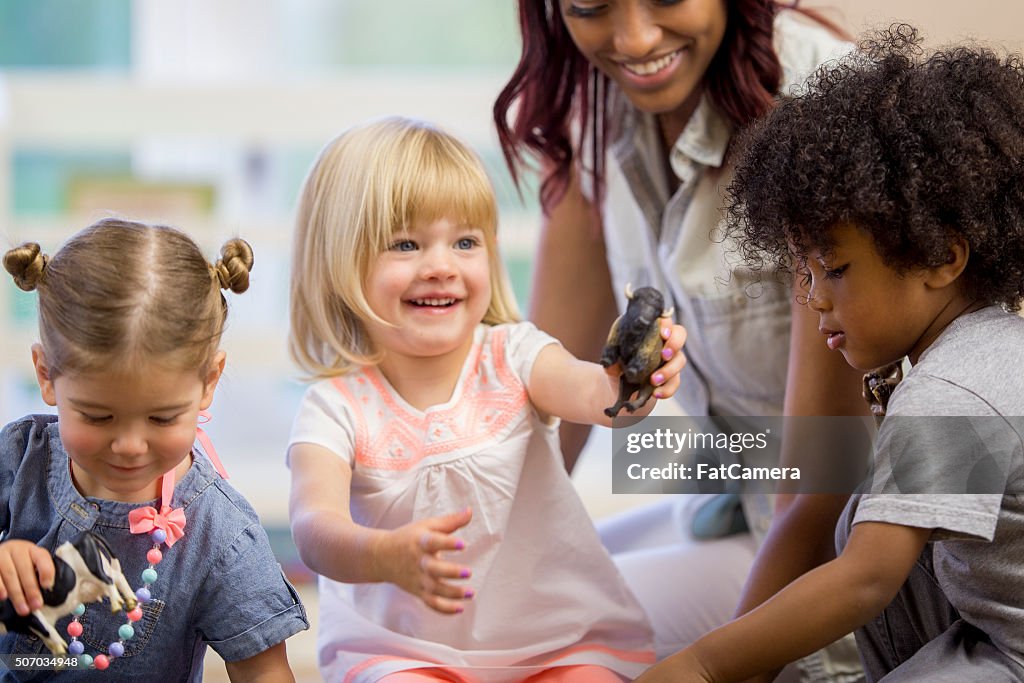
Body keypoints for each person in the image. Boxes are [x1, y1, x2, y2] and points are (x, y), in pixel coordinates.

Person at [637, 24, 1024, 681]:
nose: (814, 300)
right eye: (805, 275)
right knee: (864, 506)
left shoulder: (954, 389)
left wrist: (705, 662)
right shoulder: (984, 346)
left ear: (942, 257)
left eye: (835, 269)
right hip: (983, 624)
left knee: (863, 539)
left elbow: (865, 579)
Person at [493, 0, 869, 676]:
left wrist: (723, 666)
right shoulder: (596, 106)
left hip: (837, 543)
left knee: (522, 642)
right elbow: (541, 398)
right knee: (483, 609)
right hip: (735, 501)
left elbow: (824, 481)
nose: (633, 40)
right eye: (590, 6)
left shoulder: (822, 103)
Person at [285, 116, 687, 683]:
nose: (442, 266)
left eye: (465, 241)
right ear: (337, 264)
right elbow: (313, 528)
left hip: (558, 641)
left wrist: (636, 374)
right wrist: (384, 555)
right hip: (403, 652)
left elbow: (598, 393)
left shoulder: (515, 355)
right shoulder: (335, 409)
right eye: (407, 243)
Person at [0, 218, 308, 682]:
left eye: (162, 418)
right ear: (46, 376)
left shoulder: (219, 536)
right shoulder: (19, 460)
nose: (128, 446)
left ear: (209, 382)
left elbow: (264, 672)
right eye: (97, 417)